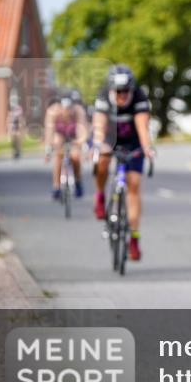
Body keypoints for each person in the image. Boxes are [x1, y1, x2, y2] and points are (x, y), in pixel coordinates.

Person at [92, 65, 155, 261]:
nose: (121, 95)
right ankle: (100, 195)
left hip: (132, 142)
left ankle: (134, 239)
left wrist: (147, 148)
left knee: (133, 185)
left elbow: (142, 127)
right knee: (101, 162)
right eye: (118, 91)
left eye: (125, 91)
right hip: (109, 138)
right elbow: (99, 126)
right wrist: (98, 144)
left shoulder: (139, 97)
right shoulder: (103, 96)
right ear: (111, 89)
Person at [43, 89, 88, 199]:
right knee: (58, 155)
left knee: (75, 156)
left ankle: (77, 181)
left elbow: (82, 130)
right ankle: (56, 186)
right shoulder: (53, 111)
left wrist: (81, 144)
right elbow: (49, 131)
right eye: (64, 107)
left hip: (73, 136)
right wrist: (48, 148)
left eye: (70, 107)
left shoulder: (78, 111)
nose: (67, 111)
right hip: (60, 135)